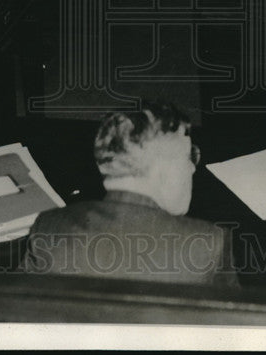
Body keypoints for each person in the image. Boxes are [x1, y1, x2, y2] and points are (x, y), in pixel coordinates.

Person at [23, 102, 238, 287]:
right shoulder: (209, 243)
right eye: (188, 157)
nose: (192, 168)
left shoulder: (49, 227)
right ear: (164, 168)